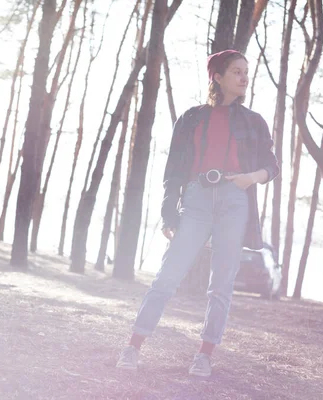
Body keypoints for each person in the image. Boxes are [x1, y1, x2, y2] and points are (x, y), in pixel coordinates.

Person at [115, 49, 279, 377]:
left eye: (246, 71)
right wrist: (168, 215)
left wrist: (250, 178)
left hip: (235, 201)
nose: (244, 77)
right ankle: (132, 347)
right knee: (166, 277)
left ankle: (204, 355)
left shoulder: (254, 121)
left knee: (221, 285)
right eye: (236, 71)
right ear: (217, 77)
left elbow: (271, 166)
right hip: (196, 200)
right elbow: (173, 170)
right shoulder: (191, 117)